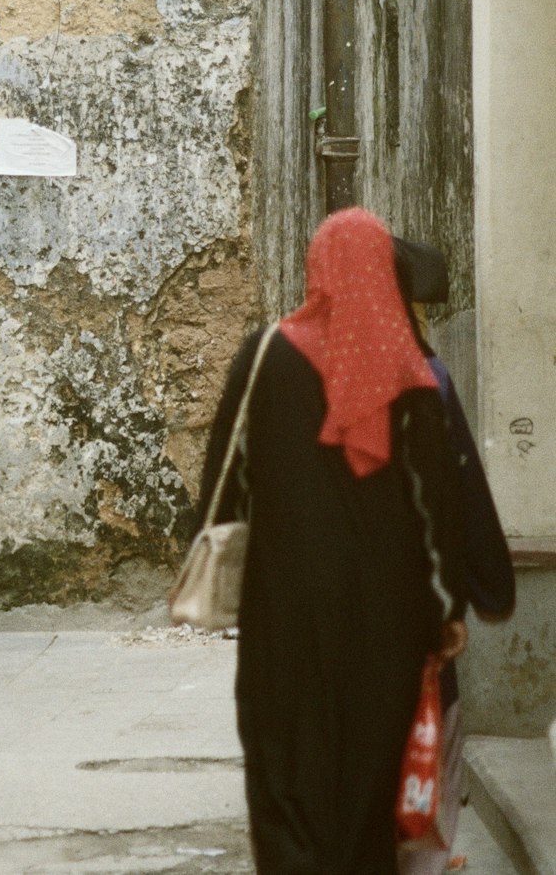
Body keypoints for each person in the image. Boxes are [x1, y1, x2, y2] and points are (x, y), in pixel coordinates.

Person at [195, 207, 468, 875]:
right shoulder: (412, 371)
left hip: (281, 610)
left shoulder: (263, 354)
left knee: (285, 761)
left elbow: (219, 490)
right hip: (389, 618)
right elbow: (436, 506)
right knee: (369, 774)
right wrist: (444, 613)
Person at [392, 238, 515, 875]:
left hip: (339, 601)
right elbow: (454, 493)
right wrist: (463, 597)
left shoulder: (307, 372)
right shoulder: (426, 377)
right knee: (436, 709)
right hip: (413, 594)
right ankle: (427, 850)